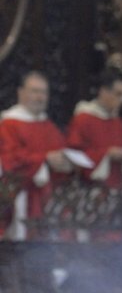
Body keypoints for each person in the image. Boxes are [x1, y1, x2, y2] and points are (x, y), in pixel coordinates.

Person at [0, 71, 71, 240]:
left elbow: (62, 152)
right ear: (21, 92)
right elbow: (10, 160)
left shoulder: (48, 125)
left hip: (49, 198)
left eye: (44, 92)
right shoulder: (9, 124)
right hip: (22, 195)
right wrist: (45, 159)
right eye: (35, 91)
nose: (40, 97)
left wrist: (66, 162)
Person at [66, 71, 122, 189]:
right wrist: (107, 154)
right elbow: (74, 155)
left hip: (118, 185)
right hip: (91, 187)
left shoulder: (118, 122)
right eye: (118, 94)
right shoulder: (83, 119)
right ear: (104, 92)